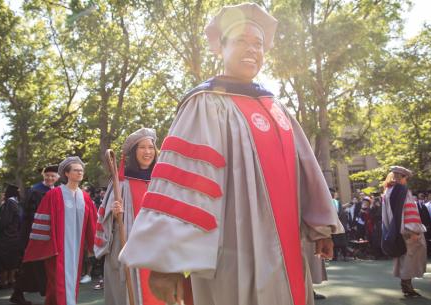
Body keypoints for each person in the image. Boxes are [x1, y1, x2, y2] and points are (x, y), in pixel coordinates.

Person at [119, 4, 340, 305]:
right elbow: (184, 183)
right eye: (240, 41)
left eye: (257, 44)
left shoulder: (275, 108)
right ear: (220, 48)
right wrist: (164, 264)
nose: (251, 50)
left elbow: (306, 170)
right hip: (232, 252)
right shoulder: (206, 103)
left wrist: (320, 227)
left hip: (286, 251)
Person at [95, 128, 180, 305]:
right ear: (134, 152)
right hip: (129, 246)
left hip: (158, 248)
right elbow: (104, 217)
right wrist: (114, 212)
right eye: (142, 147)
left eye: (151, 147)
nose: (148, 152)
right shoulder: (121, 183)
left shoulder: (162, 181)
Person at [23, 157, 97, 305]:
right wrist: (49, 246)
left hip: (77, 247)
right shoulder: (54, 194)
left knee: (69, 282)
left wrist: (92, 245)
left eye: (81, 170)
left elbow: (92, 222)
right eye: (76, 170)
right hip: (57, 248)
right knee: (58, 283)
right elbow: (42, 222)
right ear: (67, 173)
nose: (80, 172)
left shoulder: (85, 197)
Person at [10, 165, 59, 305]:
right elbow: (28, 214)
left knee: (36, 265)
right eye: (47, 175)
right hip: (32, 234)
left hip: (46, 234)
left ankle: (20, 294)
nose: (49, 178)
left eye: (53, 176)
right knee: (29, 264)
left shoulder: (56, 191)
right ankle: (18, 294)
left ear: (58, 177)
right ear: (43, 175)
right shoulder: (35, 191)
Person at [381, 166, 426, 297]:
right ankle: (407, 287)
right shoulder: (403, 191)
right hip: (407, 230)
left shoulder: (387, 192)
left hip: (394, 230)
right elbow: (409, 212)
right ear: (403, 177)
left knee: (402, 258)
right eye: (406, 178)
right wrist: (414, 231)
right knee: (409, 259)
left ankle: (406, 286)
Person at [0, 184, 23, 289]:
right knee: (12, 259)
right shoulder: (16, 203)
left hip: (6, 236)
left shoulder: (10, 203)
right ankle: (11, 280)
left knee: (3, 260)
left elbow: (5, 221)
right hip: (15, 235)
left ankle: (3, 282)